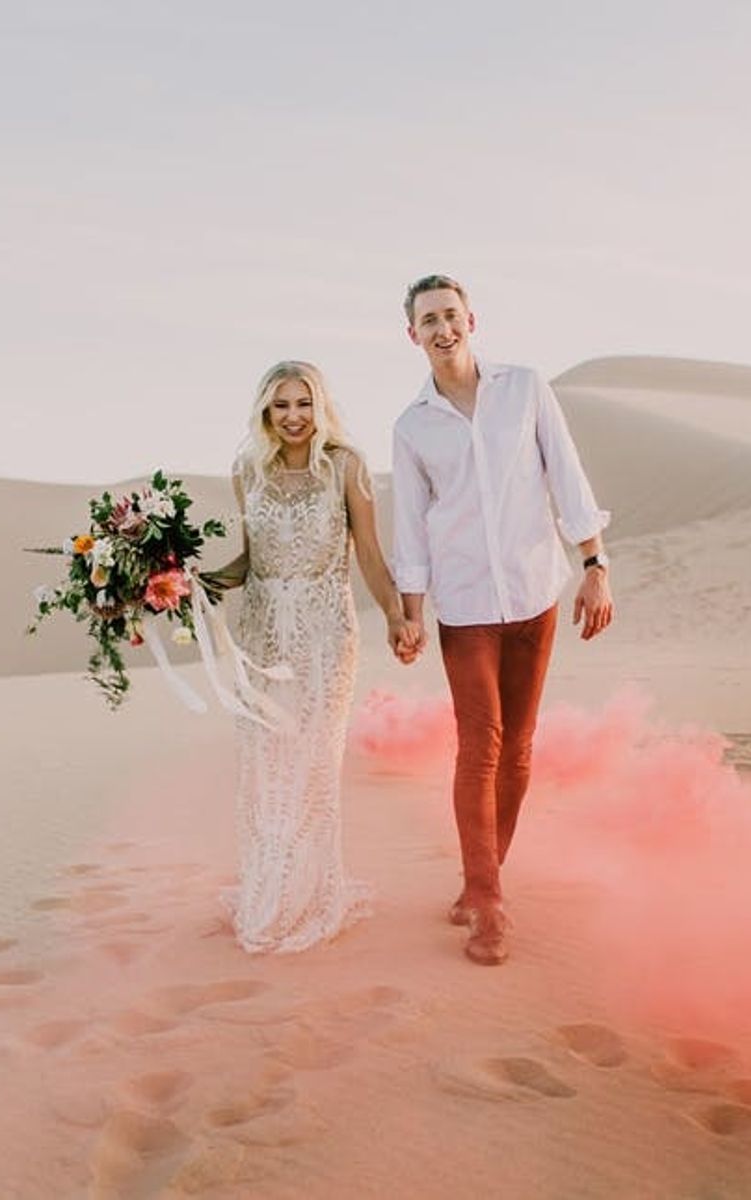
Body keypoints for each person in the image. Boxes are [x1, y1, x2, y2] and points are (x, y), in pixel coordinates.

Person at [391, 275, 614, 966]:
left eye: (451, 315)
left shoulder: (525, 388)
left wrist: (595, 564)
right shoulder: (412, 426)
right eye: (429, 320)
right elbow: (410, 527)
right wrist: (411, 614)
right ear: (412, 334)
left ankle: (482, 881)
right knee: (478, 745)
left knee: (518, 747)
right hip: (464, 607)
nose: (442, 328)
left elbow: (566, 473)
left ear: (471, 320)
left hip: (533, 592)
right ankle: (487, 903)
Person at [202, 360, 420, 953]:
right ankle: (267, 890)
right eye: (281, 406)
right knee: (265, 764)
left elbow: (370, 556)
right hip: (262, 633)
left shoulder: (346, 467)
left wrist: (398, 617)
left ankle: (307, 894)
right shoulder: (247, 472)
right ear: (266, 413)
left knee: (312, 764)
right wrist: (184, 581)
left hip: (325, 631)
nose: (294, 417)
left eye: (304, 404)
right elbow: (248, 561)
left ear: (321, 408)